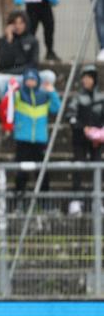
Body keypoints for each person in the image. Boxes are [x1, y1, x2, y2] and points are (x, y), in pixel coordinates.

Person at [12, 68, 62, 194]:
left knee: (42, 173)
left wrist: (52, 92)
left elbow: (57, 108)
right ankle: (19, 200)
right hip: (23, 140)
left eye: (33, 79)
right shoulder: (18, 95)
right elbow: (8, 102)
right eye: (28, 79)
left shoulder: (44, 96)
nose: (30, 82)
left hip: (40, 140)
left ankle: (43, 202)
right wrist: (11, 89)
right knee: (21, 172)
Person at [0, 10, 55, 98]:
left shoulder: (32, 40)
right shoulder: (2, 41)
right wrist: (9, 41)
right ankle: (8, 106)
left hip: (29, 76)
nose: (18, 26)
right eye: (15, 23)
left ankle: (38, 100)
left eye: (21, 23)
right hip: (12, 77)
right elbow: (4, 63)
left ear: (26, 24)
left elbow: (33, 64)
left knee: (49, 75)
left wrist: (25, 73)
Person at [67, 66, 104, 214]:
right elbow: (70, 116)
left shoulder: (101, 98)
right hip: (80, 140)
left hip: (97, 141)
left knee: (98, 169)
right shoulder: (77, 98)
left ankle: (97, 201)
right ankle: (76, 201)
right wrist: (83, 129)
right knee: (79, 167)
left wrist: (99, 133)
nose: (86, 80)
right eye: (84, 77)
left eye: (89, 77)